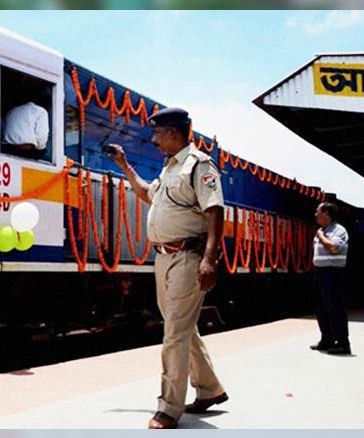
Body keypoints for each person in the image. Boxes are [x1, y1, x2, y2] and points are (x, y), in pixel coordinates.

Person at [106, 107, 227, 429]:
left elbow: (215, 211)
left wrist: (208, 259)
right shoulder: (170, 168)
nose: (155, 140)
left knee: (174, 332)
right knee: (182, 327)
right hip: (164, 258)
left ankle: (168, 408)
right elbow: (148, 194)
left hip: (188, 257)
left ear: (173, 132)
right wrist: (124, 165)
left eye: (158, 134)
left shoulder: (199, 165)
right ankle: (210, 389)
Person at [311, 202, 351, 355]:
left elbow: (333, 248)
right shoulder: (323, 230)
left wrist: (320, 236)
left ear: (326, 214)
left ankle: (342, 343)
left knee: (335, 309)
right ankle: (327, 339)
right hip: (321, 272)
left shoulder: (339, 230)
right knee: (321, 308)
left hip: (333, 273)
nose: (315, 214)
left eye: (318, 211)